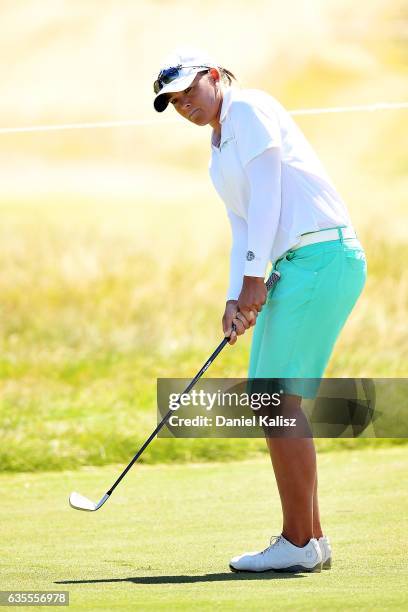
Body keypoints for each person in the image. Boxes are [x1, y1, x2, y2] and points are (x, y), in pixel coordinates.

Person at [153, 47, 367, 573]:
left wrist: (254, 280)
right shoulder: (218, 149)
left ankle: (297, 543)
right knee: (272, 398)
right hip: (298, 263)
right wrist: (235, 295)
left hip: (318, 256)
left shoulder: (246, 109)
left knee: (274, 399)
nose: (184, 106)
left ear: (211, 76)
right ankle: (310, 540)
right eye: (173, 103)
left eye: (188, 92)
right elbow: (244, 225)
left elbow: (270, 193)